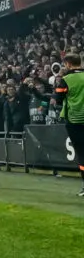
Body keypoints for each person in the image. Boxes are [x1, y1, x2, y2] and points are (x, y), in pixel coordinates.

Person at [56, 52, 84, 196]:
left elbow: (58, 99)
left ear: (68, 64)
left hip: (75, 120)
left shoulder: (66, 79)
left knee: (81, 153)